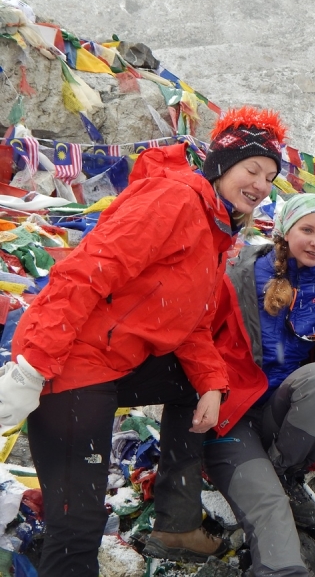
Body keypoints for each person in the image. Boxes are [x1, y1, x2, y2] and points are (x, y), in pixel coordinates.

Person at [0, 106, 285, 576]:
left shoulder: (214, 227)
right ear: (221, 164)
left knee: (197, 382)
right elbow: (85, 275)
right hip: (71, 361)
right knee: (80, 523)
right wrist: (32, 367)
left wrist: (211, 384)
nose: (261, 184)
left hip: (118, 361)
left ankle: (175, 522)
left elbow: (189, 321)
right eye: (252, 169)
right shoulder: (171, 200)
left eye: (270, 176)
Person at [202, 194, 315, 577]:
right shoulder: (240, 274)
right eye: (307, 230)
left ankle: (280, 470)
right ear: (284, 230)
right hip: (233, 413)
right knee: (271, 508)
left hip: (280, 412)